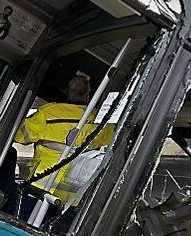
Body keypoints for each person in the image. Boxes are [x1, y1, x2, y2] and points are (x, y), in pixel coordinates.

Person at [11, 73, 114, 225]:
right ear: (88, 94)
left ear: (67, 91)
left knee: (18, 228)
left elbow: (18, 136)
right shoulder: (101, 121)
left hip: (38, 190)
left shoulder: (48, 113)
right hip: (72, 201)